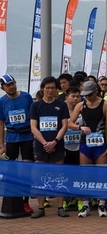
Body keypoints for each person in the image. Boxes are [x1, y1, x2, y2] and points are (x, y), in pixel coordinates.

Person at [69, 80, 107, 218]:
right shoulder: (81, 105)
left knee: (102, 175)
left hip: (100, 144)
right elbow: (70, 123)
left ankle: (101, 203)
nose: (87, 97)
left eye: (90, 94)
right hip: (85, 144)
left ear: (96, 91)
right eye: (85, 95)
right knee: (85, 175)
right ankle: (85, 204)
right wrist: (80, 127)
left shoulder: (105, 105)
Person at [29, 76, 70, 218]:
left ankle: (60, 207)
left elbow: (64, 125)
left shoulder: (61, 105)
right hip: (41, 146)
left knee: (59, 176)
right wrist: (45, 143)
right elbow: (33, 127)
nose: (50, 90)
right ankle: (41, 207)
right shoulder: (35, 106)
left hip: (57, 145)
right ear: (42, 89)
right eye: (47, 88)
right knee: (40, 176)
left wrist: (55, 141)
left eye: (53, 88)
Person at [0, 74, 34, 213]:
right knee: (10, 170)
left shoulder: (26, 97)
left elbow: (33, 118)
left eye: (12, 83)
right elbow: (1, 123)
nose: (11, 87)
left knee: (27, 169)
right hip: (11, 138)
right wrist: (1, 144)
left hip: (27, 137)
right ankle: (12, 199)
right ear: (3, 88)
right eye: (8, 85)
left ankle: (25, 202)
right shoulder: (2, 101)